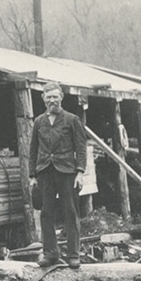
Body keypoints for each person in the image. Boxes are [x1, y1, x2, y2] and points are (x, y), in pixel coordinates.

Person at [28, 81, 87, 269]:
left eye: (55, 96)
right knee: (46, 213)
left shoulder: (72, 119)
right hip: (45, 172)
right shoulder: (39, 122)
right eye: (49, 97)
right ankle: (50, 254)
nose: (52, 100)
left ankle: (73, 255)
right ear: (43, 98)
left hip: (67, 171)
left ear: (61, 97)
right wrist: (32, 175)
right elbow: (33, 149)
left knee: (70, 211)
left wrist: (80, 172)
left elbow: (81, 148)